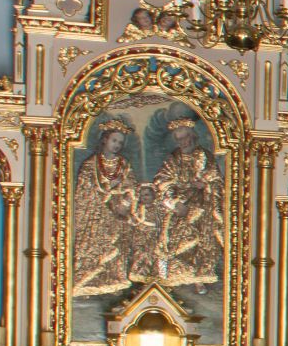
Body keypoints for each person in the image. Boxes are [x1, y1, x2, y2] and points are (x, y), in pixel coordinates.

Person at [148, 109, 225, 287]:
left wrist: (205, 185)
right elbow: (162, 181)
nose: (183, 142)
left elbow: (216, 180)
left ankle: (199, 276)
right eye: (179, 139)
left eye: (185, 138)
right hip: (179, 204)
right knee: (172, 232)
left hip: (203, 204)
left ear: (193, 137)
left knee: (202, 229)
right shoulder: (174, 158)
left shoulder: (205, 156)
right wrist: (174, 202)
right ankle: (174, 274)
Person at [70, 119, 145, 296]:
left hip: (118, 213)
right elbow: (84, 191)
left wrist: (124, 203)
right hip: (96, 214)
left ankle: (114, 282)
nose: (117, 145)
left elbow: (132, 186)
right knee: (95, 245)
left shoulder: (124, 164)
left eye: (120, 142)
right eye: (114, 140)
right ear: (105, 140)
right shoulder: (90, 165)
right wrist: (109, 188)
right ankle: (90, 281)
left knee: (118, 245)